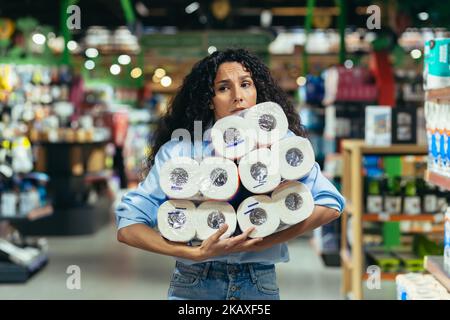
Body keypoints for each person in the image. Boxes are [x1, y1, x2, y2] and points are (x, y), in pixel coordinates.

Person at [116, 48, 345, 300]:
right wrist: (195, 254)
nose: (238, 96)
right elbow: (128, 226)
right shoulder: (181, 152)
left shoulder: (281, 144)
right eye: (224, 88)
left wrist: (266, 241)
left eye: (245, 84)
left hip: (257, 281)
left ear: (257, 91)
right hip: (195, 283)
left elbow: (331, 203)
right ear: (209, 98)